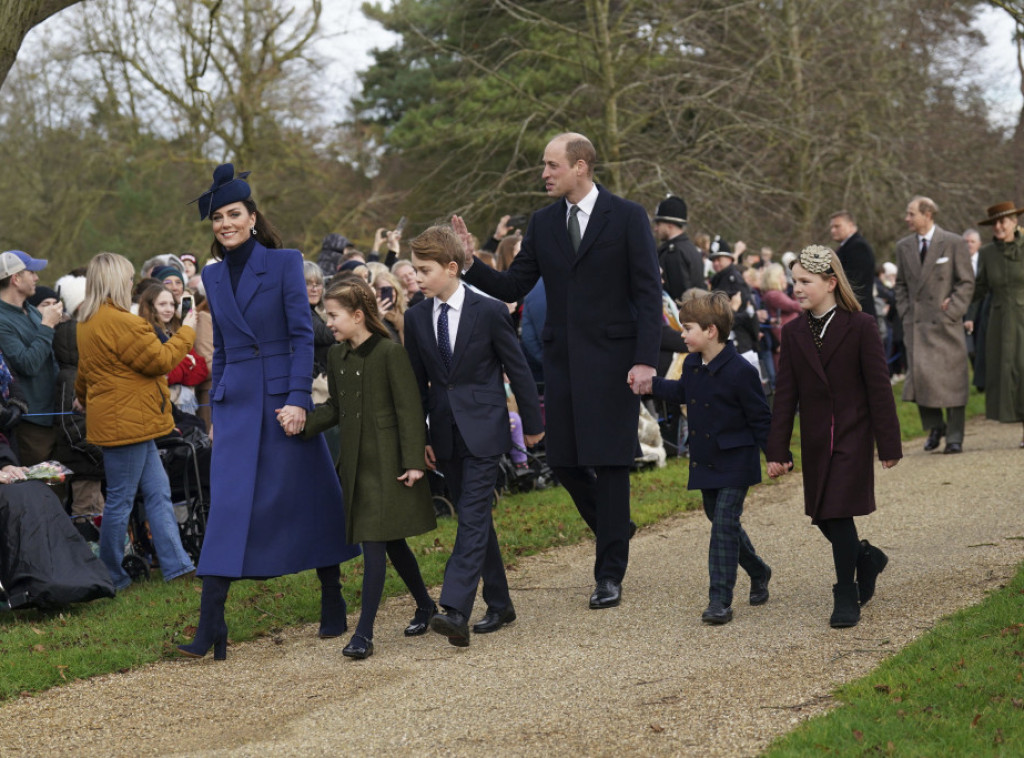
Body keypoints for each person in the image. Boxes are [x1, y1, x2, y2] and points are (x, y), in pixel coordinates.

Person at [462, 132, 662, 610]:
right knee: (569, 464)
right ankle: (617, 528)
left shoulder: (629, 216)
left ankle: (609, 573)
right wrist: (470, 261)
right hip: (564, 364)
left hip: (616, 364)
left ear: (581, 166)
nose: (544, 174)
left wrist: (645, 359)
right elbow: (514, 282)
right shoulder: (543, 222)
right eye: (544, 166)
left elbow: (648, 294)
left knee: (612, 465)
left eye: (552, 165)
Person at [177, 164, 359, 661]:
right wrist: (218, 405)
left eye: (233, 214)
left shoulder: (284, 264)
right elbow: (229, 349)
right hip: (236, 406)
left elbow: (303, 336)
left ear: (253, 217)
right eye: (216, 217)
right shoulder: (211, 275)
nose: (225, 224)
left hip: (283, 402)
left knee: (311, 497)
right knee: (229, 509)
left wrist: (299, 399)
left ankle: (332, 595)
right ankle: (211, 623)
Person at [404, 225, 544, 646]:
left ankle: (456, 608)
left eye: (424, 270)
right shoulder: (415, 317)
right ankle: (500, 603)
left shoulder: (489, 311)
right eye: (414, 269)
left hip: (485, 430)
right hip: (444, 434)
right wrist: (421, 439)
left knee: (473, 516)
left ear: (452, 268)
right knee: (473, 517)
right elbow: (417, 387)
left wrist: (534, 425)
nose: (417, 277)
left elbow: (517, 368)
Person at [300, 277, 437, 659]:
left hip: (390, 465)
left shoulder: (390, 353)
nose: (328, 322)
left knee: (375, 546)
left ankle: (364, 633)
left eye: (334, 315)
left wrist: (414, 463)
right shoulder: (337, 357)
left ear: (358, 315)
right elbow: (336, 409)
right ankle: (425, 604)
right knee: (392, 542)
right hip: (358, 467)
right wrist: (302, 425)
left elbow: (410, 410)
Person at [766, 245, 902, 628]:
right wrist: (778, 448)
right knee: (824, 516)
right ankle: (866, 558)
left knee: (838, 512)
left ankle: (846, 592)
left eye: (805, 282)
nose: (797, 288)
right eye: (794, 281)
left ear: (830, 282)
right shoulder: (792, 333)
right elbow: (786, 396)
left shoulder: (860, 326)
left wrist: (888, 444)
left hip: (852, 435)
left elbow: (879, 389)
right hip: (814, 440)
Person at [636, 292, 772, 625]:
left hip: (737, 459)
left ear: (711, 331)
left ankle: (719, 600)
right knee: (721, 521)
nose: (682, 334)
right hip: (706, 459)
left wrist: (776, 455)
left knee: (723, 523)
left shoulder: (741, 370)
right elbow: (683, 392)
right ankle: (759, 570)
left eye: (688, 328)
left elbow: (760, 418)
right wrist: (649, 384)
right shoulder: (694, 364)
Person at [75, 253, 198, 591]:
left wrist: (84, 397)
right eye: (127, 277)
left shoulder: (88, 322)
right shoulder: (122, 323)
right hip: (127, 424)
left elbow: (85, 374)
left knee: (157, 493)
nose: (131, 282)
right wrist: (187, 331)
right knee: (121, 499)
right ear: (116, 281)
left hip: (128, 421)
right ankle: (112, 573)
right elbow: (161, 360)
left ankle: (177, 566)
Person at [894, 196, 974, 454]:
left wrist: (953, 311)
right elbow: (901, 286)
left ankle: (955, 437)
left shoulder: (953, 242)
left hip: (946, 325)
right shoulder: (903, 247)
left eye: (911, 213)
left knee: (953, 381)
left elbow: (966, 282)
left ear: (927, 214)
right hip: (917, 325)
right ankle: (935, 426)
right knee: (922, 380)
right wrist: (907, 312)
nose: (906, 218)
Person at [966, 202, 1024, 447]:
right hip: (999, 321)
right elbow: (979, 289)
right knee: (1008, 372)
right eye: (995, 223)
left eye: (1004, 221)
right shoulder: (988, 254)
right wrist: (967, 313)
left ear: (1014, 222)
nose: (999, 226)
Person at [0, 251, 63, 466]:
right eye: (31, 272)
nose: (36, 278)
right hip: (30, 423)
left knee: (58, 490)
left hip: (53, 415)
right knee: (36, 489)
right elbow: (28, 364)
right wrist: (47, 326)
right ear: (15, 279)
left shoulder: (31, 310)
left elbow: (50, 357)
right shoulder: (1, 320)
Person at [136, 284, 209, 414]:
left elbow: (201, 370)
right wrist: (187, 364)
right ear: (150, 306)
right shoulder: (145, 334)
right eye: (162, 304)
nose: (169, 309)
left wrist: (178, 368)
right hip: (159, 406)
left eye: (171, 304)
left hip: (182, 404)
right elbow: (163, 372)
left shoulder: (175, 331)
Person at [652, 195, 705, 302]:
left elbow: (678, 295)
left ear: (670, 225)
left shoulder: (674, 253)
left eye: (658, 223)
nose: (655, 228)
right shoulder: (690, 249)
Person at [829, 211, 877, 317]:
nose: (833, 230)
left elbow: (854, 282)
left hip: (857, 311)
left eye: (837, 226)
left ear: (850, 225)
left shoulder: (858, 247)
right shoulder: (847, 247)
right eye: (832, 227)